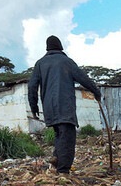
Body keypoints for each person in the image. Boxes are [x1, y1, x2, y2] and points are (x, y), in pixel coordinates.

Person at [28, 35, 101, 174]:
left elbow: (32, 86)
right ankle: (63, 172)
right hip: (65, 107)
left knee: (60, 134)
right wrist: (96, 92)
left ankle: (56, 156)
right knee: (68, 139)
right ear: (60, 46)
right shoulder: (67, 62)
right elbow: (83, 78)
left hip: (49, 108)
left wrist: (34, 107)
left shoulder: (40, 64)